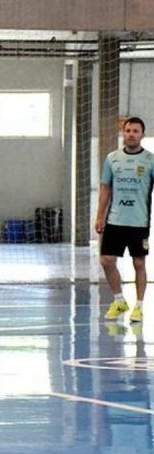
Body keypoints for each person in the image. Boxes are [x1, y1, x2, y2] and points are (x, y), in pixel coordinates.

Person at [95, 116, 154, 322]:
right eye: (128, 131)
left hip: (139, 222)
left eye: (135, 131)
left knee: (139, 263)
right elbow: (105, 189)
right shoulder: (112, 158)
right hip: (115, 220)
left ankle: (139, 306)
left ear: (142, 135)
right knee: (106, 260)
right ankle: (119, 300)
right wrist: (99, 216)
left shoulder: (150, 160)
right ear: (123, 133)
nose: (131, 134)